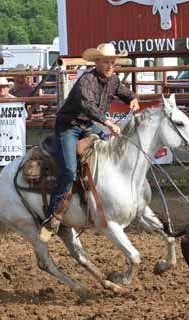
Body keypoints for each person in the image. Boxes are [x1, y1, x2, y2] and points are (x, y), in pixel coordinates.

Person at [42, 42, 140, 235]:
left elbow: (124, 92)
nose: (110, 65)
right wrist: (107, 122)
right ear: (96, 62)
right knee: (69, 170)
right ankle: (52, 213)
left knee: (110, 154)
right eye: (106, 62)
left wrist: (132, 99)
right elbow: (87, 105)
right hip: (69, 126)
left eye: (112, 62)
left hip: (88, 125)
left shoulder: (113, 80)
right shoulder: (86, 80)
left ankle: (99, 199)